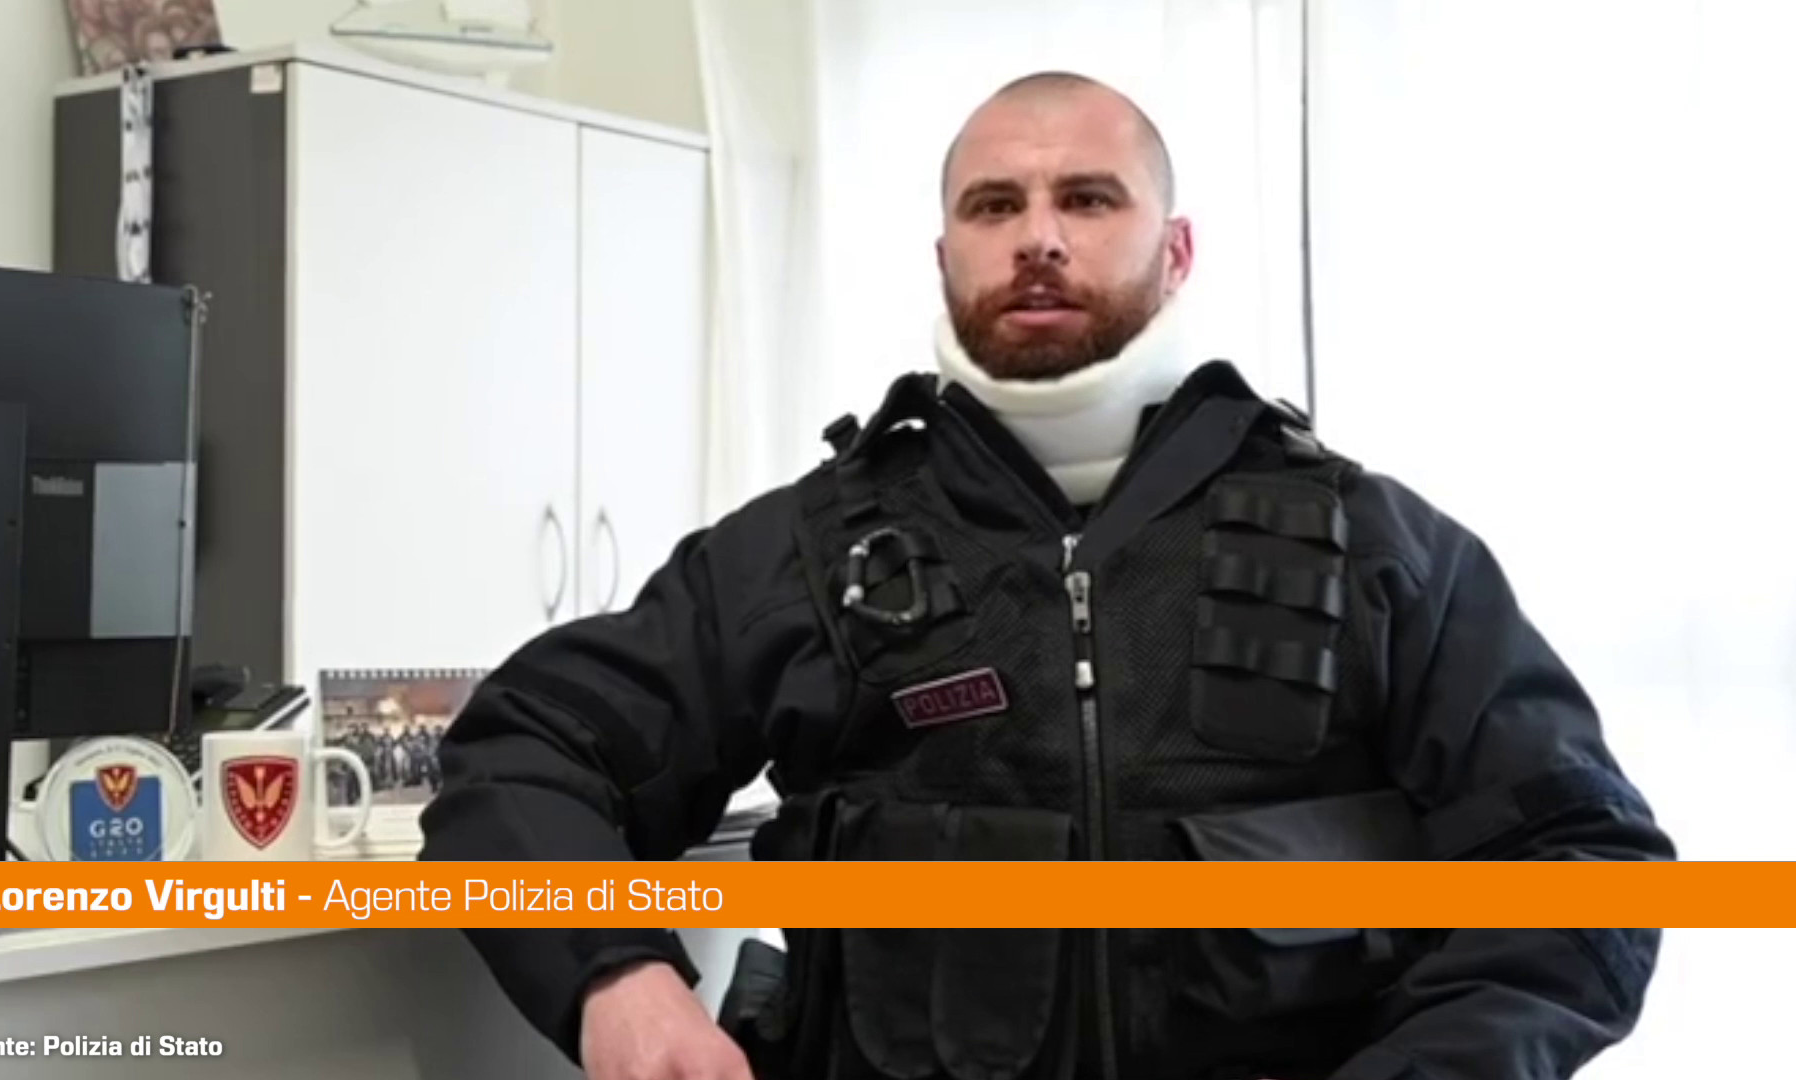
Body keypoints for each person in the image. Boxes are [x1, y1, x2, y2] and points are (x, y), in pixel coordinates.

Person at [418, 71, 1673, 1080]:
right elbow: (521, 752)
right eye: (994, 206)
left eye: (1087, 198)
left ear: (1176, 249)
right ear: (945, 254)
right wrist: (614, 980)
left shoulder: (1377, 546)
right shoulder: (804, 553)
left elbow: (1583, 855)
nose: (1038, 239)